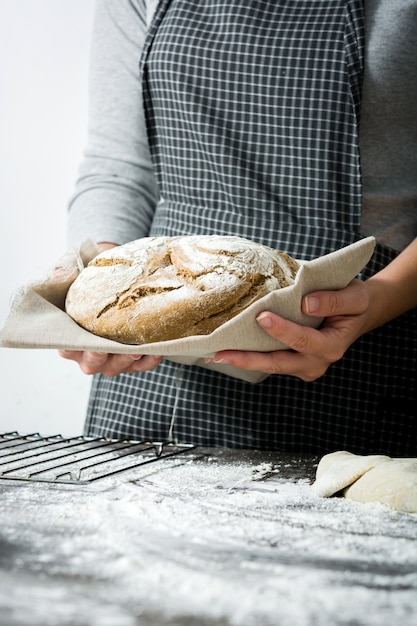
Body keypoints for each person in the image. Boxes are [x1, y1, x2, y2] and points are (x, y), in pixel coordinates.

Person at [59, 0, 417, 456]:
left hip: (361, 341)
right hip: (156, 363)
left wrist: (378, 300)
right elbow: (119, 168)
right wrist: (102, 290)